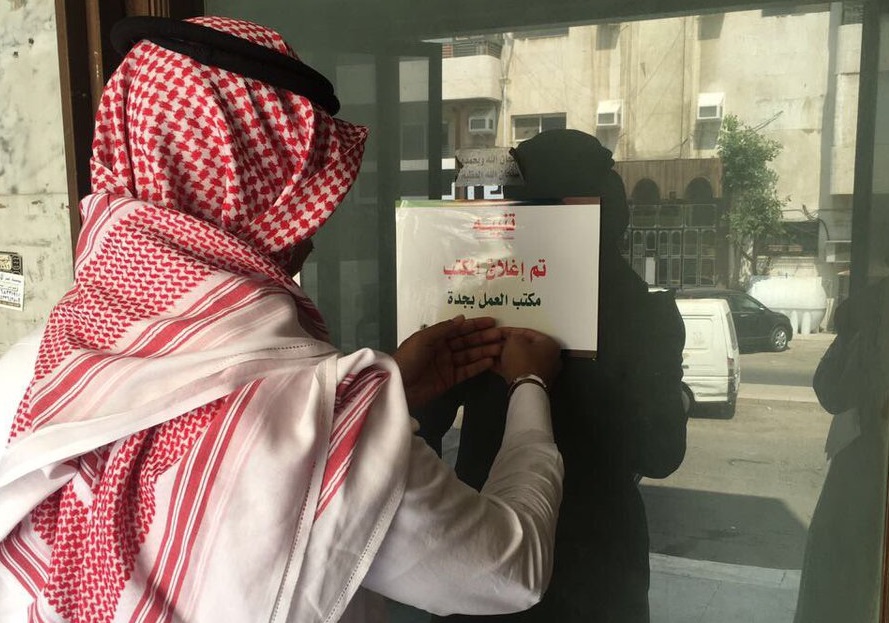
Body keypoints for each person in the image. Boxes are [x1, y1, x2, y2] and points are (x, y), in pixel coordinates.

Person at [0, 16, 565, 623]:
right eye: (299, 206)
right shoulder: (315, 433)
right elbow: (508, 570)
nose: (310, 239)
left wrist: (387, 389)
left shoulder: (26, 372)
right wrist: (530, 389)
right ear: (244, 198)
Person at [416, 130, 688, 622]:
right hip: (598, 569)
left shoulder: (483, 298)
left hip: (491, 552)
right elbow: (661, 452)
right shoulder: (642, 315)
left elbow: (422, 426)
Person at [794, 278, 889, 623]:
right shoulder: (872, 306)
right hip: (862, 464)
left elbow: (830, 389)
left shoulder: (871, 303)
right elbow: (831, 389)